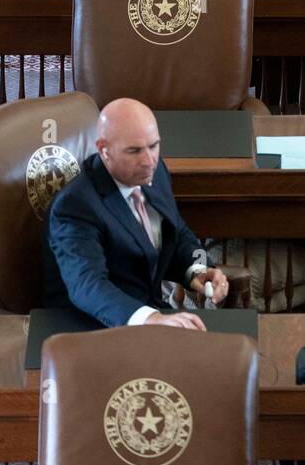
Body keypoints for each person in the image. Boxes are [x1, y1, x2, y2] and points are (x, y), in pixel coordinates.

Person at [43, 97, 228, 328]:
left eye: (153, 146)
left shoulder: (155, 172)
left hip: (151, 313)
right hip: (93, 329)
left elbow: (177, 233)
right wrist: (150, 319)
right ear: (104, 149)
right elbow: (87, 284)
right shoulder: (75, 205)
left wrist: (200, 269)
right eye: (134, 151)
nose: (148, 160)